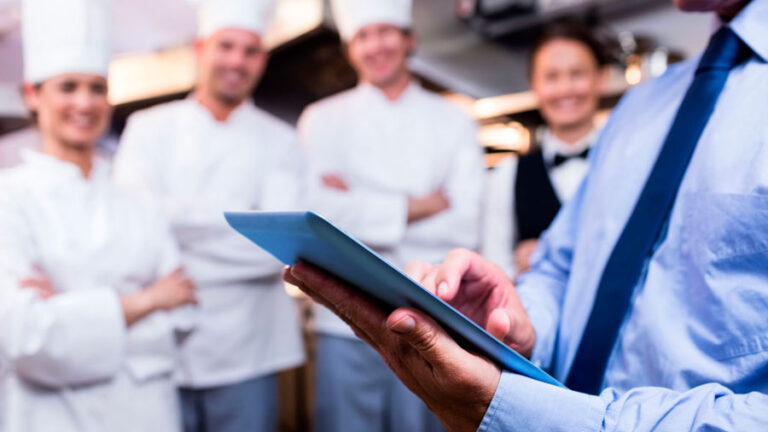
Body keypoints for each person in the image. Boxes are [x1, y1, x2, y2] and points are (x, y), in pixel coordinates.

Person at [283, 0, 768, 430]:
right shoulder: (637, 109)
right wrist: (523, 323)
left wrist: (544, 418)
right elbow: (560, 268)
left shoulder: (455, 121)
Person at [0, 1, 197, 431]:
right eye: (68, 86)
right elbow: (24, 337)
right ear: (33, 95)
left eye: (97, 87)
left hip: (146, 415)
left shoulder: (139, 197)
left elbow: (183, 314)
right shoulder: (9, 197)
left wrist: (70, 311)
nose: (85, 102)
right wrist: (145, 301)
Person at [112, 0, 305, 431]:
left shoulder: (282, 141)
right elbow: (134, 234)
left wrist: (175, 228)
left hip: (248, 352)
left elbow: (278, 249)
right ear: (201, 48)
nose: (237, 60)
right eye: (226, 46)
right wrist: (245, 222)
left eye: (250, 50)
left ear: (263, 60)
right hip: (159, 351)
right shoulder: (148, 127)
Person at [296, 0, 485, 430]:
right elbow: (317, 221)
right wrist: (422, 205)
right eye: (362, 35)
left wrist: (357, 207)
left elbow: (464, 224)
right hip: (342, 317)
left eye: (385, 32)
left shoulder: (454, 122)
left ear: (409, 39)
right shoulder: (320, 120)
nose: (375, 45)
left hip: (430, 321)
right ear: (349, 49)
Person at [483, 23, 608, 278]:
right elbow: (495, 272)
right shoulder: (507, 175)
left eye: (577, 73)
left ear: (602, 78)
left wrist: (544, 256)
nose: (565, 89)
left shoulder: (631, 164)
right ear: (534, 86)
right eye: (551, 77)